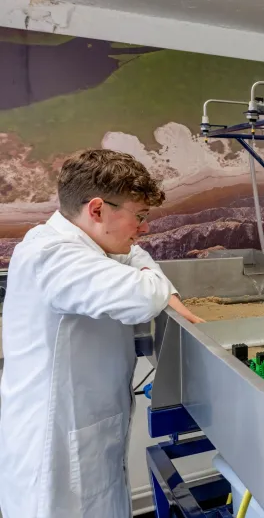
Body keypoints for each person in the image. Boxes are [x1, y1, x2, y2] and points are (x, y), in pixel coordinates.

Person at [0, 149, 205, 518]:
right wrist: (161, 288)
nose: (144, 228)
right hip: (57, 453)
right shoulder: (54, 257)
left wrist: (163, 288)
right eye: (139, 216)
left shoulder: (79, 244)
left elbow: (136, 256)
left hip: (85, 431)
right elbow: (143, 296)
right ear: (96, 210)